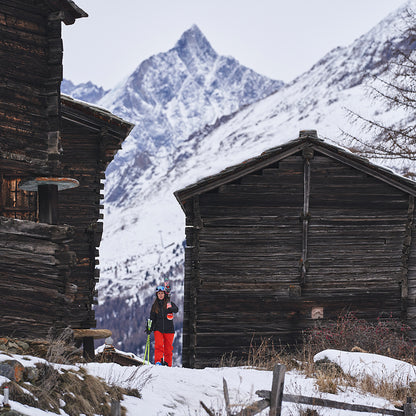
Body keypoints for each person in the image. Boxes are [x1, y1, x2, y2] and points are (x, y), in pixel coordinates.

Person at [147, 285, 178, 366]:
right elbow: (152, 317)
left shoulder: (169, 303)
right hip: (158, 329)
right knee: (159, 346)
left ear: (164, 294)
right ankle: (158, 362)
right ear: (157, 295)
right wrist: (149, 327)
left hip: (169, 329)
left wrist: (171, 309)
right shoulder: (155, 306)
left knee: (168, 349)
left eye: (162, 293)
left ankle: (168, 364)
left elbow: (176, 309)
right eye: (159, 293)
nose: (160, 295)